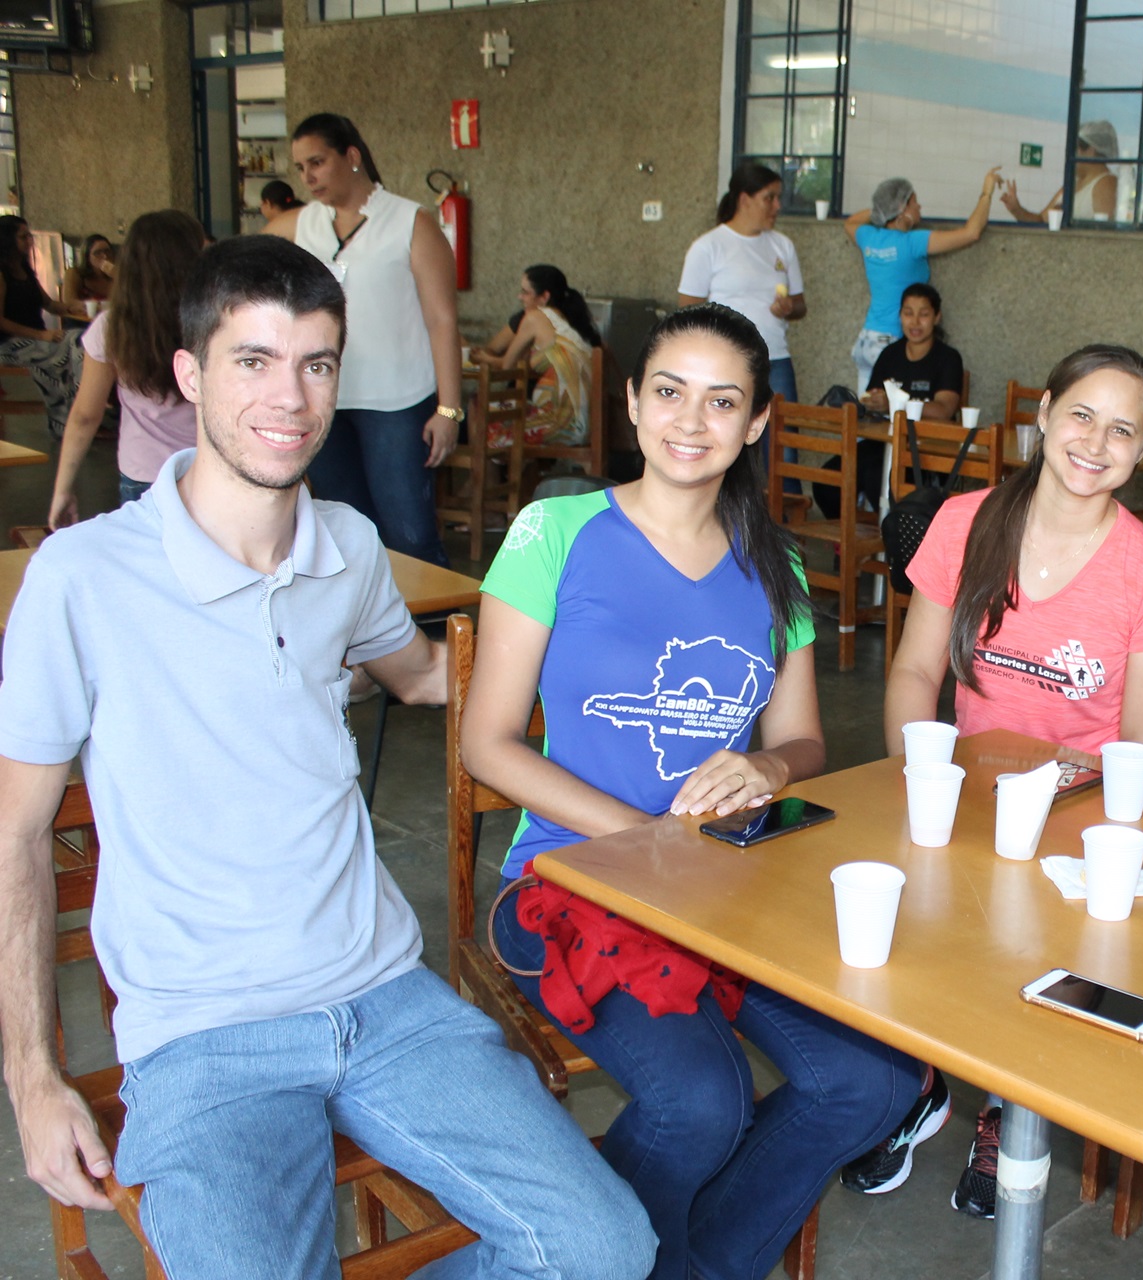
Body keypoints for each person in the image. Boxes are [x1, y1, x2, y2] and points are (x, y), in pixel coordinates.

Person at [0, 234, 655, 1279]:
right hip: (205, 1035)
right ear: (189, 373)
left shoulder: (346, 546)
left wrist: (597, 653)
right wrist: (32, 1080)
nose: (290, 397)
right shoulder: (80, 578)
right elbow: (18, 834)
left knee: (604, 1248)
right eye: (253, 360)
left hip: (385, 997)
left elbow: (424, 675)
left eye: (316, 363)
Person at [466, 302, 918, 1280]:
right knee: (700, 1103)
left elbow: (802, 738)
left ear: (756, 422)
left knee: (875, 1079)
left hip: (728, 885)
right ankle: (602, 1257)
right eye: (670, 391)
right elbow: (486, 744)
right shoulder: (556, 530)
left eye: (722, 401)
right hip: (568, 882)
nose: (691, 419)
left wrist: (770, 767)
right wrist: (642, 838)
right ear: (632, 400)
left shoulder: (776, 562)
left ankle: (684, 1264)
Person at [852, 344, 1143, 1219]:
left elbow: (1140, 744)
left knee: (1026, 944)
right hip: (960, 793)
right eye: (1081, 415)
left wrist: (1088, 835)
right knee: (902, 930)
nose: (1096, 443)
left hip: (1074, 816)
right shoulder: (966, 522)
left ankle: (1006, 1107)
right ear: (1043, 413)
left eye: (1123, 430)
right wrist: (916, 783)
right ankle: (920, 1084)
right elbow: (913, 672)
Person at [269, 112, 458, 567]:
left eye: (317, 162)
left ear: (351, 156)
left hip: (397, 402)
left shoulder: (409, 221)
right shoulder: (300, 225)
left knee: (410, 537)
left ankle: (437, 615)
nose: (308, 177)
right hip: (324, 400)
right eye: (300, 168)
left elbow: (442, 319)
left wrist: (449, 409)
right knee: (346, 535)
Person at [47, 210, 205, 525]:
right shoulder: (217, 320)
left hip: (143, 473)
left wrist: (62, 489)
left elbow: (85, 416)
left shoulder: (112, 327)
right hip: (210, 471)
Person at [844, 168, 1000, 394]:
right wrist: (987, 191)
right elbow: (971, 233)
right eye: (914, 202)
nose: (919, 207)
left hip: (866, 340)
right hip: (891, 342)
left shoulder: (869, 238)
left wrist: (883, 208)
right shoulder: (912, 242)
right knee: (894, 413)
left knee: (866, 410)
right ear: (902, 208)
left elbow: (849, 223)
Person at [678, 162, 806, 409]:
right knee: (730, 430)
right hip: (726, 360)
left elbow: (801, 305)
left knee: (784, 431)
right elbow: (687, 312)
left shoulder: (783, 245)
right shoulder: (708, 247)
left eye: (778, 198)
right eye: (769, 198)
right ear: (745, 200)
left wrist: (789, 307)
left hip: (775, 358)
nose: (777, 206)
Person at [471, 263, 601, 449]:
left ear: (544, 297)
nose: (520, 297)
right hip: (585, 424)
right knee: (505, 409)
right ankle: (512, 467)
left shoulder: (534, 318)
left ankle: (482, 467)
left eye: (525, 292)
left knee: (480, 408)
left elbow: (506, 366)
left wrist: (483, 358)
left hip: (560, 423)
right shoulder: (568, 326)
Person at [0, 214, 81, 438]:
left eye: (30, 236)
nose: (30, 241)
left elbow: (49, 304)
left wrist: (72, 307)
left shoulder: (25, 270)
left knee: (80, 339)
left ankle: (78, 410)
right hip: (10, 343)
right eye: (23, 237)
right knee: (63, 353)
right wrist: (40, 335)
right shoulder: (2, 275)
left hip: (36, 338)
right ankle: (67, 419)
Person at [861, 282, 964, 421]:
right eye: (908, 313)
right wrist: (872, 402)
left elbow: (944, 410)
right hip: (889, 433)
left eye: (924, 314)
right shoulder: (889, 355)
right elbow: (870, 399)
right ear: (900, 316)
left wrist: (894, 405)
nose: (915, 322)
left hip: (929, 434)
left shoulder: (949, 358)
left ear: (937, 317)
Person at [1000, 119, 1122, 225]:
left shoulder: (1106, 183)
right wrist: (1016, 209)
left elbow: (1103, 235)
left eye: (1074, 149)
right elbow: (1041, 220)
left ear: (1090, 150)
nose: (1069, 156)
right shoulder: (1071, 185)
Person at [58, 234, 114, 320]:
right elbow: (69, 301)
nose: (105, 256)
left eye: (107, 251)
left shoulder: (116, 273)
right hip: (82, 321)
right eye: (97, 253)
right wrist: (95, 306)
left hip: (110, 320)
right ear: (87, 256)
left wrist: (117, 275)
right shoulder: (75, 273)